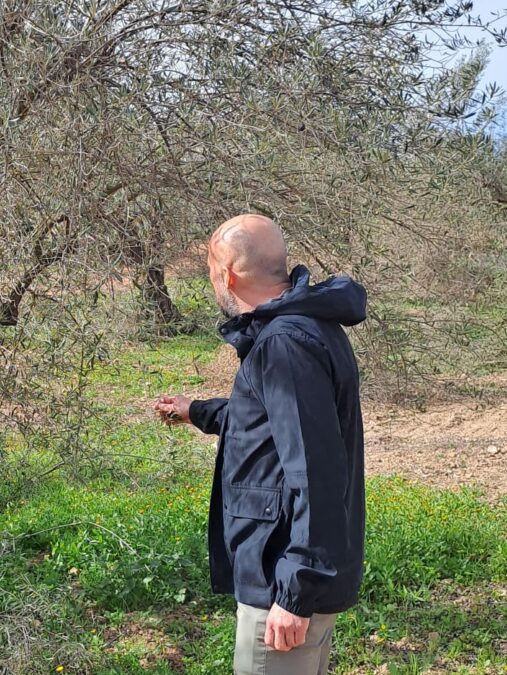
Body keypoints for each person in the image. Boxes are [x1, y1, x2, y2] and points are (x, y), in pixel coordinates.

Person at [153, 214, 366, 675]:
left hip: (282, 584)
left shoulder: (284, 344)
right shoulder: (304, 328)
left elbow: (315, 469)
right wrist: (198, 410)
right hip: (290, 575)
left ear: (227, 273)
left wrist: (295, 592)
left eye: (211, 271)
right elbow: (268, 426)